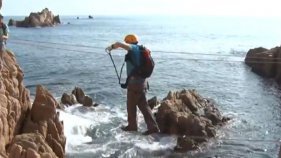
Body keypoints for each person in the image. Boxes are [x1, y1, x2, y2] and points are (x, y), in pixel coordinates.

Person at [106, 34, 160, 135]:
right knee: (144, 106)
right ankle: (153, 127)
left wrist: (111, 47)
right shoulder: (141, 49)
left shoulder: (134, 48)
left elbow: (119, 44)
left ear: (129, 42)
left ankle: (132, 126)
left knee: (130, 105)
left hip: (134, 84)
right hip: (142, 83)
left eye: (127, 42)